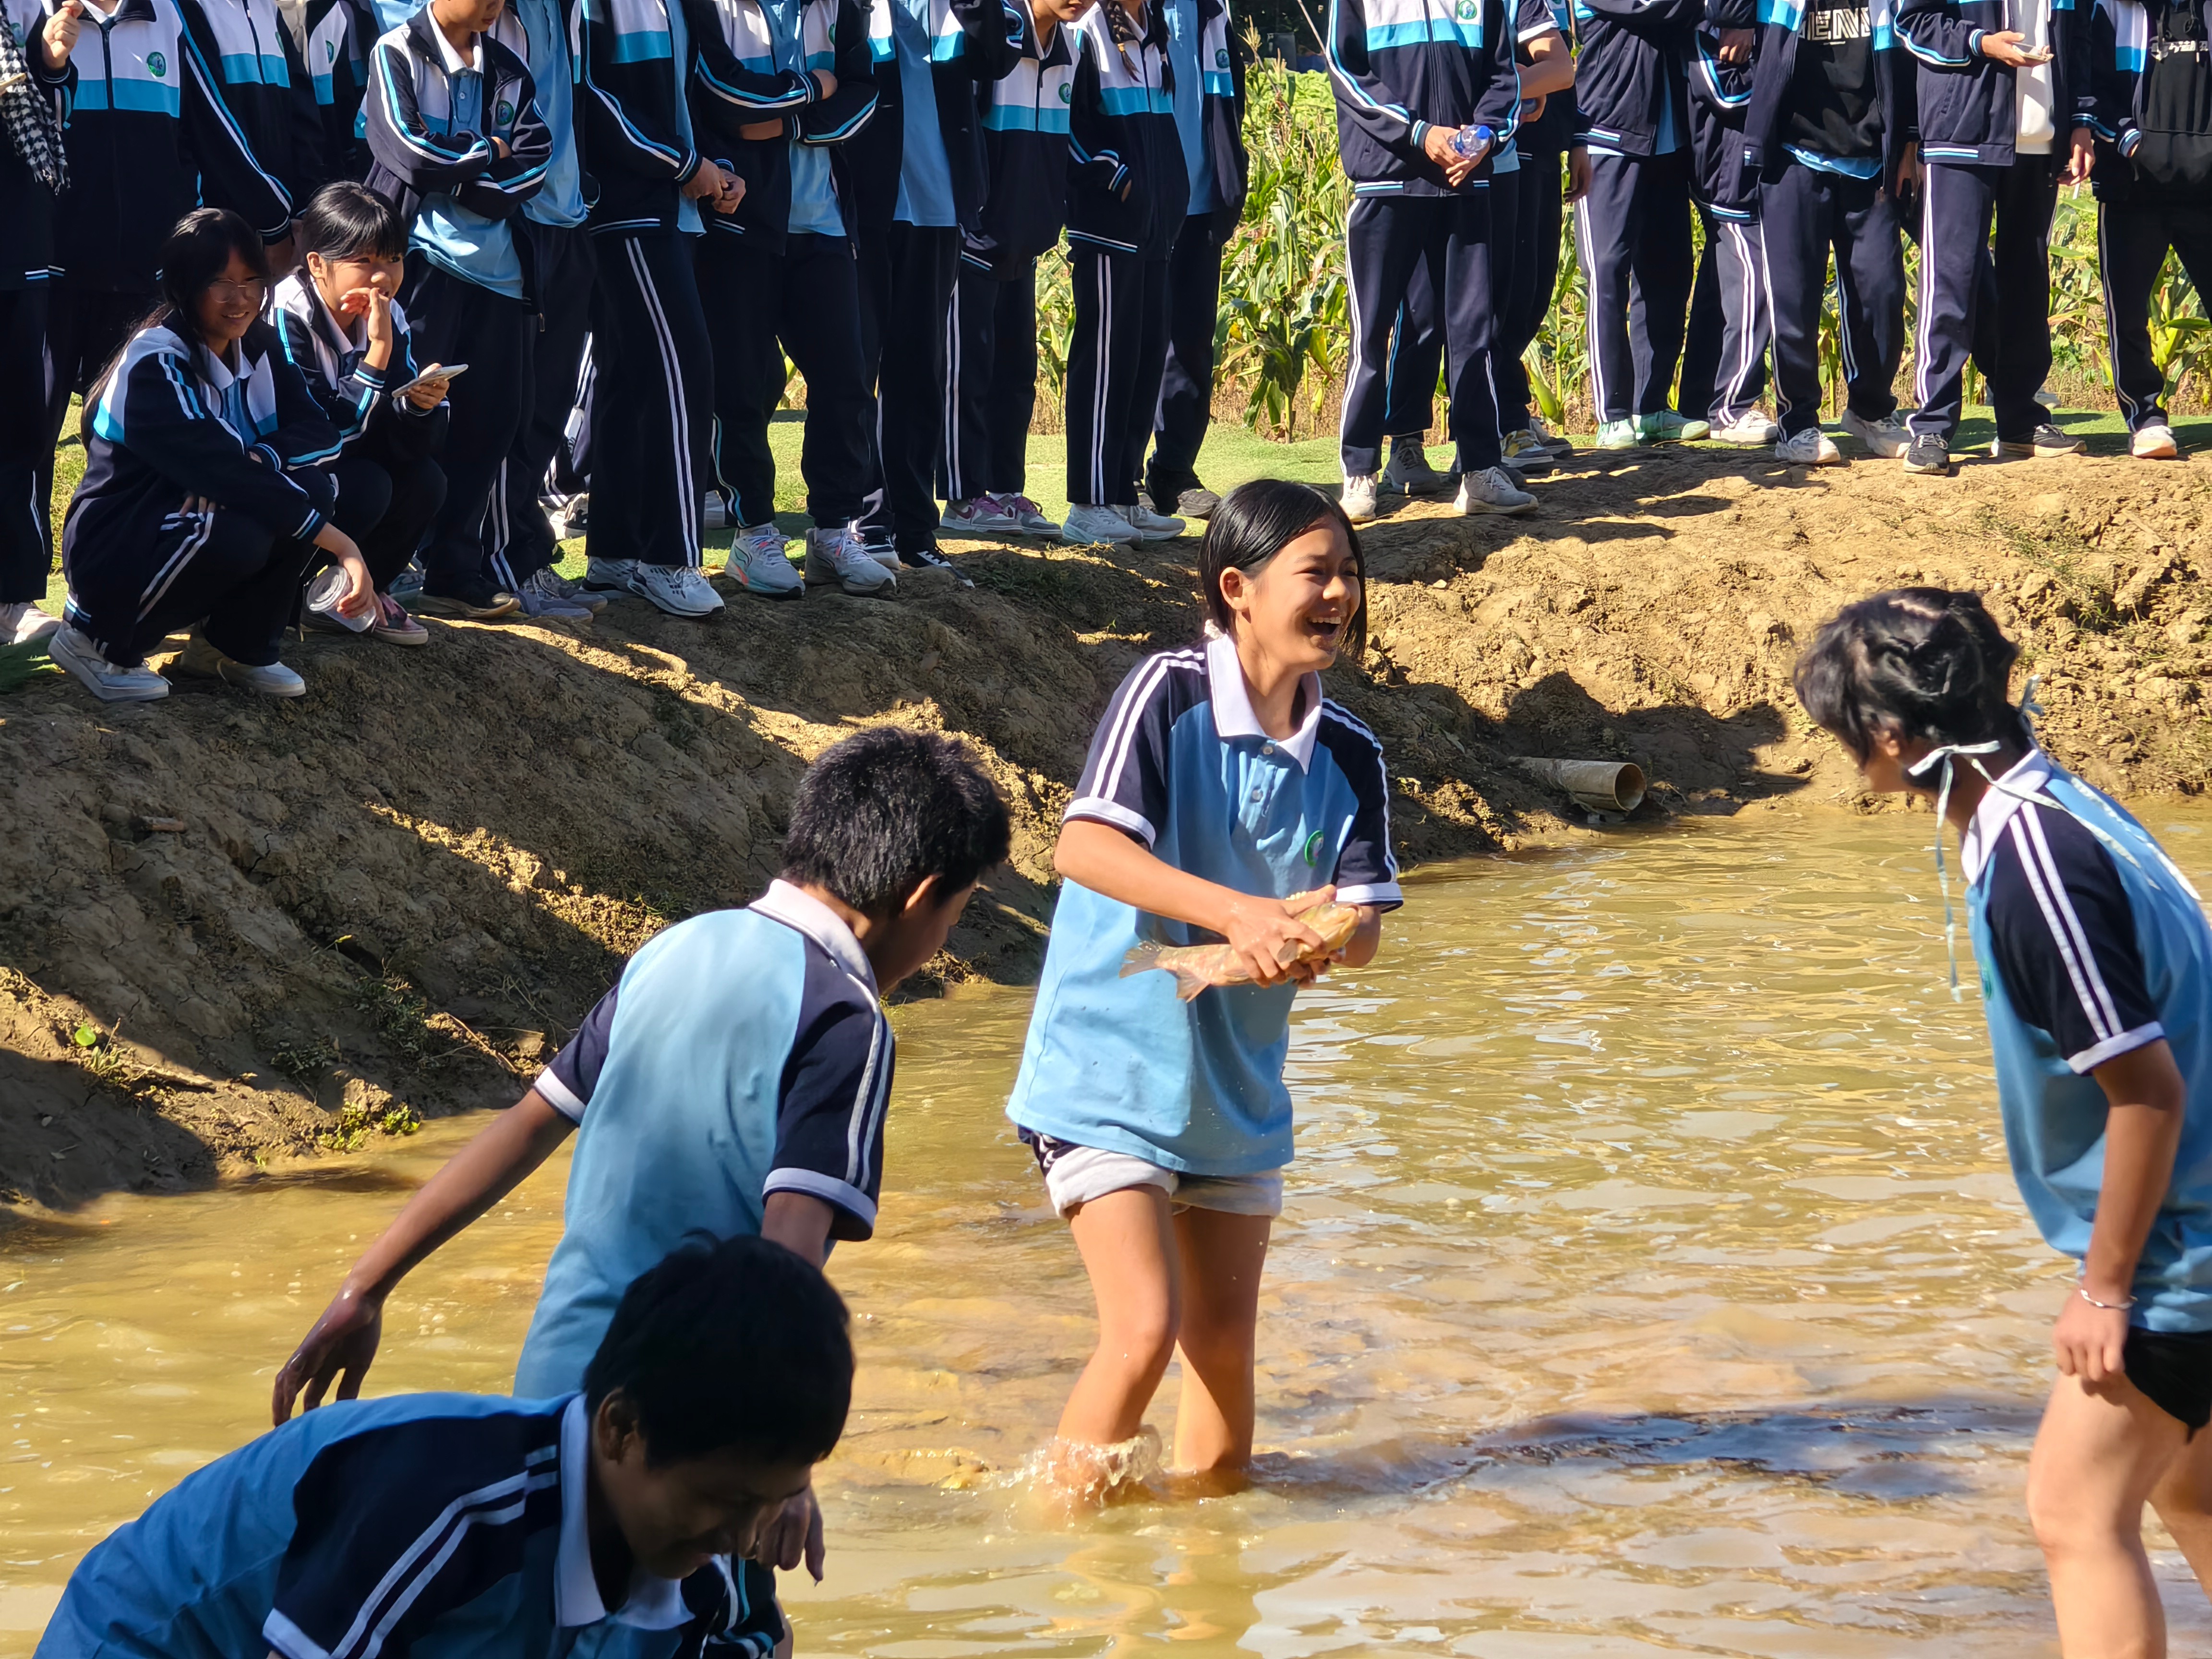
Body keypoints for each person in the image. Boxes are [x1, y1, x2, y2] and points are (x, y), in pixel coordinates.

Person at [273, 727, 1010, 1637]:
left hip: (555, 1405)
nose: (944, 942)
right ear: (923, 895)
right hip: (700, 1433)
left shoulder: (675, 949)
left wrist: (367, 1285)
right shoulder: (845, 1021)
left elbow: (525, 1126)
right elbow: (785, 1265)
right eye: (959, 915)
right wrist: (786, 1467)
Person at [1795, 586, 2212, 1659]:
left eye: (1851, 740)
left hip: (2185, 1256)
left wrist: (2105, 1288)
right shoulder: (2063, 801)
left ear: (1890, 738)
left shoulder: (2034, 862)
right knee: (2194, 1495)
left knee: (2075, 1516)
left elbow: (2147, 1089)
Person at [1006, 479, 1400, 1495]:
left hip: (1234, 1099)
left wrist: (1328, 934)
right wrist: (1239, 914)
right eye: (1317, 572)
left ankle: (1207, 1592)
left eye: (1349, 574)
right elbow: (1083, 846)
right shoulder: (1168, 694)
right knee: (1144, 1331)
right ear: (1238, 587)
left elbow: (1363, 929)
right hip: (1107, 1076)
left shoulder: (1351, 751)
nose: (1341, 595)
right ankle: (1061, 1561)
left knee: (1221, 1356)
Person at [39, 1235, 852, 1659]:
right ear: (619, 1428)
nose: (747, 1539)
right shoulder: (448, 1507)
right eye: (728, 1501)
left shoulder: (712, 1564)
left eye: (772, 1501)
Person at [50, 209, 373, 702]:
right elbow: (223, 473)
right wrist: (342, 546)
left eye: (252, 281)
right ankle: (95, 640)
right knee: (237, 527)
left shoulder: (259, 345)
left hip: (196, 513)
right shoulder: (155, 360)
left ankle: (232, 647)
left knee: (316, 488)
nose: (240, 299)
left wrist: (263, 457)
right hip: (121, 536)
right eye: (221, 283)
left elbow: (320, 432)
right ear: (184, 287)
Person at [36, 0, 301, 578]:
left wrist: (277, 221)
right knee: (31, 428)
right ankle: (16, 593)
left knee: (146, 435)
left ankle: (136, 574)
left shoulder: (170, 18)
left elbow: (215, 130)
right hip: (51, 272)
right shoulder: (35, 15)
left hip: (147, 279)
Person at [688, 0, 884, 599]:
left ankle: (831, 534)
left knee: (847, 379)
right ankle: (755, 533)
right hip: (740, 222)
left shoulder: (843, 7)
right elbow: (723, 96)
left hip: (823, 226)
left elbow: (863, 96)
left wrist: (788, 118)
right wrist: (812, 89)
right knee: (744, 386)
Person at [365, 0, 551, 622]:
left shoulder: (509, 68)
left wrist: (462, 169)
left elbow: (533, 164)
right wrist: (490, 148)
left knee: (494, 422)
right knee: (410, 417)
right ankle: (377, 571)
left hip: (501, 275)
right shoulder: (396, 52)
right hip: (419, 265)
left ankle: (453, 571)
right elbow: (409, 154)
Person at [1327, 0, 1534, 522]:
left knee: (1475, 333)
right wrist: (1419, 134)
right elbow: (1346, 72)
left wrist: (1485, 134)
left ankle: (1481, 470)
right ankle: (1360, 471)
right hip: (1386, 183)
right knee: (1372, 332)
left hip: (1467, 186)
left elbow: (1504, 74)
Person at [576, 0, 745, 615]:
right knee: (683, 372)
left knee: (632, 378)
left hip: (673, 211)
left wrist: (721, 168)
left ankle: (617, 554)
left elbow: (700, 90)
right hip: (626, 210)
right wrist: (684, 165)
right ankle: (672, 560)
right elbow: (589, 96)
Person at [845, 0, 1022, 577]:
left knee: (919, 374)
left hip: (940, 207)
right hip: (863, 206)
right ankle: (868, 524)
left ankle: (915, 531)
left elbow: (996, 58)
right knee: (857, 370)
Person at [1373, 0, 1576, 499]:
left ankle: (1476, 451)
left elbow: (1559, 67)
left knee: (1486, 312)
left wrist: (1505, 96)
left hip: (1494, 167)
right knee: (1420, 313)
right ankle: (1405, 444)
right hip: (1422, 164)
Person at [1897, 0, 2088, 472]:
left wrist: (2081, 122)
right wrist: (1980, 43)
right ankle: (1932, 427)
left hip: (2040, 142)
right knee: (1952, 281)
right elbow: (1913, 24)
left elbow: (2080, 41)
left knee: (2027, 284)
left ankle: (2021, 421)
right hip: (1963, 134)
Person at [1732, 0, 1917, 465]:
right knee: (1794, 300)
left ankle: (1870, 409)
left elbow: (1909, 54)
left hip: (1871, 162)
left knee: (1884, 290)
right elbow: (1724, 13)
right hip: (1795, 157)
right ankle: (1799, 423)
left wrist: (1909, 144)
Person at [273, 181, 453, 645]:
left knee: (426, 479)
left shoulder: (389, 315)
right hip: (284, 473)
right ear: (317, 264)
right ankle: (287, 601)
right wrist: (375, 356)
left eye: (392, 259)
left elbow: (406, 438)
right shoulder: (282, 316)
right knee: (368, 484)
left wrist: (419, 406)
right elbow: (322, 436)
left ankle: (357, 597)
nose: (382, 277)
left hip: (340, 460)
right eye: (364, 262)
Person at [936, 0, 1085, 541]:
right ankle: (962, 496)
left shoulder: (1070, 50)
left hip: (1026, 243)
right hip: (974, 240)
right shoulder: (995, 39)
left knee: (1015, 376)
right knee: (965, 372)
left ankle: (1003, 489)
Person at [1571, 0, 1708, 450]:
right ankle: (1612, 413)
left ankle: (1651, 408)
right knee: (1607, 272)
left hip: (1668, 141)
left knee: (1669, 273)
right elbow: (1653, 6)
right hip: (1608, 133)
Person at [2082, 0, 2211, 460]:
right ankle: (2147, 419)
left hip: (2206, 191)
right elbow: (2087, 89)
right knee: (2128, 314)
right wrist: (2133, 143)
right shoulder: (2110, 9)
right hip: (2130, 185)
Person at [1134, 0, 1245, 523]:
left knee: (1192, 345)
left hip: (1202, 201)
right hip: (1139, 200)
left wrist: (1230, 180)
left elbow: (1230, 100)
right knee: (1134, 342)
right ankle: (1120, 475)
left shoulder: (1210, 12)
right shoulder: (1118, 11)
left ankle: (1173, 470)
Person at [0, 0, 73, 648]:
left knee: (19, 428)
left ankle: (13, 597)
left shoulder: (36, 5)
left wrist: (50, 63)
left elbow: (51, 120)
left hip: (20, 243)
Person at [1677, 12, 1776, 446]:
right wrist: (1783, 64)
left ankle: (1699, 402)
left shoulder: (1765, 24)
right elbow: (1727, 94)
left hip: (1751, 174)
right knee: (1754, 287)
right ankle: (1732, 407)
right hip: (1726, 173)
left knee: (1719, 291)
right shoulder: (1703, 26)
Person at [179, 0, 324, 265]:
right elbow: (215, 127)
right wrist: (273, 223)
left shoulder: (268, 8)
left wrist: (306, 213)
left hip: (289, 228)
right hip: (225, 231)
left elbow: (303, 113)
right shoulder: (183, 8)